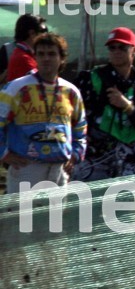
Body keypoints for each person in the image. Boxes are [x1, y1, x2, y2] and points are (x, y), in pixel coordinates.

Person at [0, 33, 86, 194]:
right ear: (35, 57)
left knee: (55, 219)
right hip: (26, 169)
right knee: (22, 219)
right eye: (41, 54)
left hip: (59, 170)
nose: (46, 58)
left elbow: (80, 128)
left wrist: (75, 154)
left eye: (52, 54)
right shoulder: (16, 88)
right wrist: (3, 154)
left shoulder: (71, 92)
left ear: (62, 58)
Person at [72, 27, 135, 181]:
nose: (116, 51)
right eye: (112, 47)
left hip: (127, 163)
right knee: (88, 205)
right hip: (92, 162)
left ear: (134, 50)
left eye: (122, 47)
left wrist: (127, 107)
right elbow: (72, 114)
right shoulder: (90, 79)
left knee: (125, 205)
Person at [4, 14, 48, 83]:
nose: (46, 35)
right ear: (32, 33)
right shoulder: (23, 58)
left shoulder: (25, 54)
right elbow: (43, 85)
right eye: (43, 31)